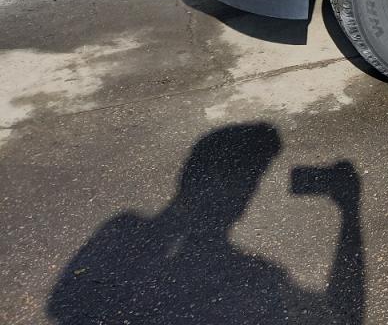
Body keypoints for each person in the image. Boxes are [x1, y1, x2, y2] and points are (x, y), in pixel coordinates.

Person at [48, 122, 364, 324]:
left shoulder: (122, 231)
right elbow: (341, 314)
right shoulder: (259, 276)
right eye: (250, 181)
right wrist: (350, 212)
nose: (250, 192)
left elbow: (63, 303)